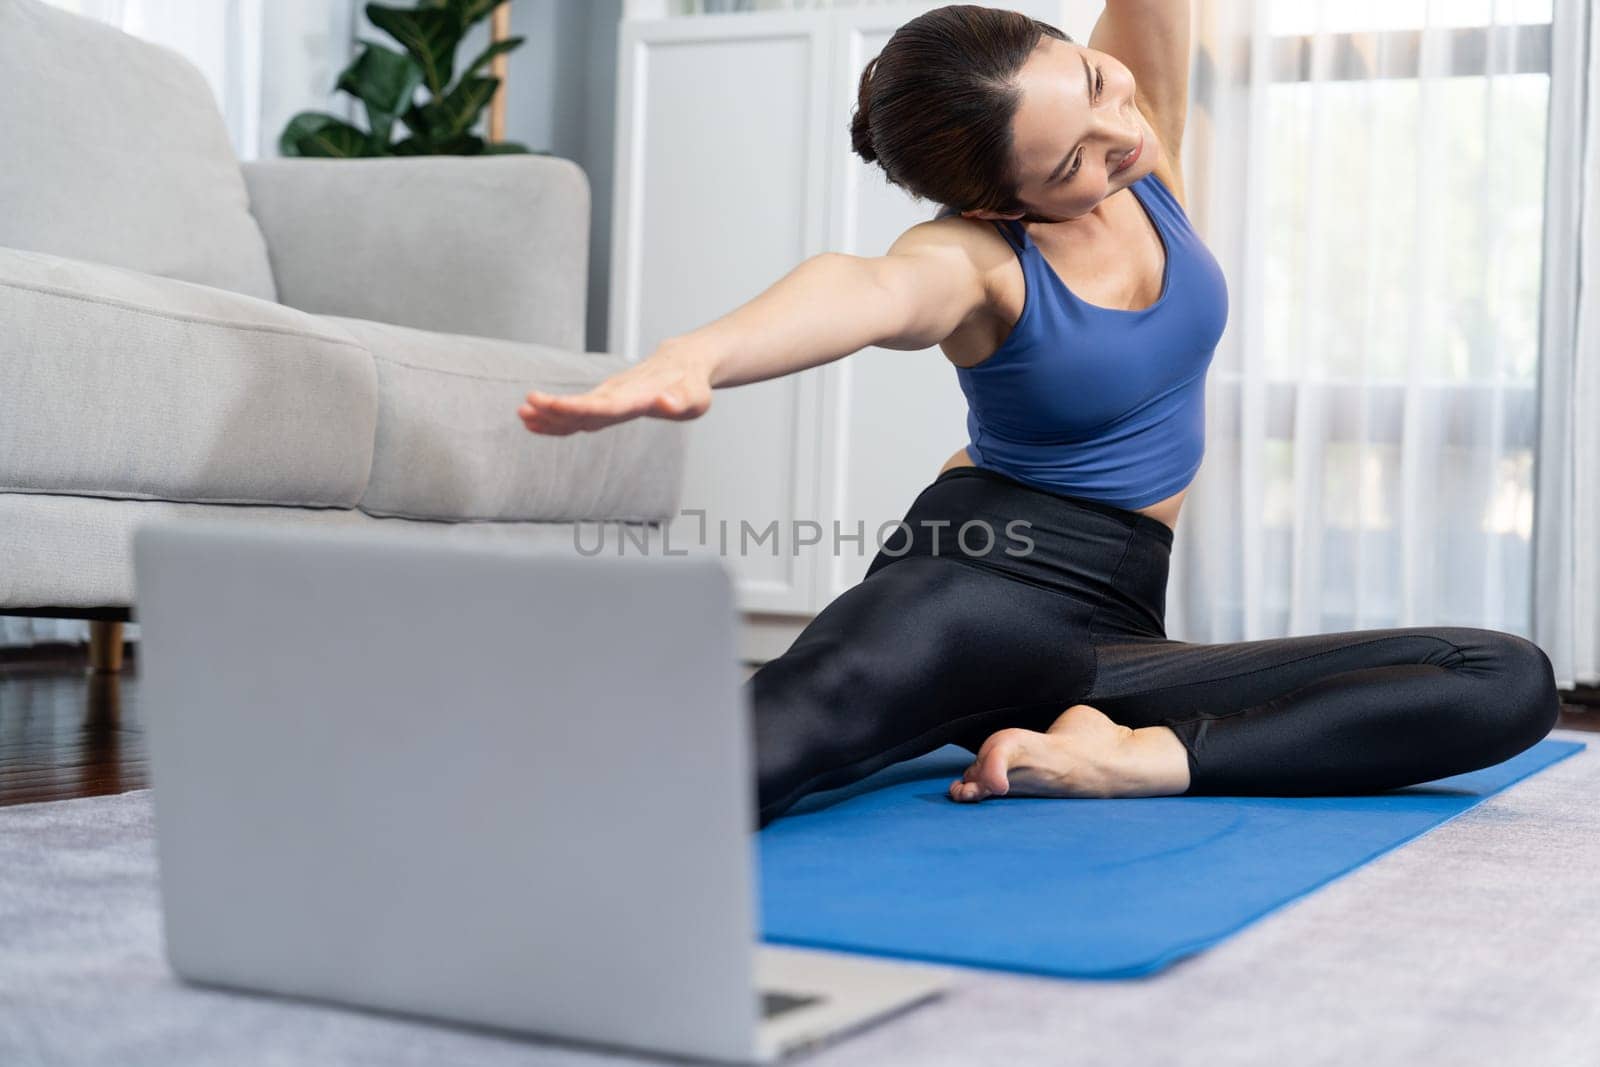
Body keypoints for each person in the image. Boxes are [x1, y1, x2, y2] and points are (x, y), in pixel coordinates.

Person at [518, 3, 1561, 829]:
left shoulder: (1137, 141)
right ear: (999, 206)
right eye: (1071, 165)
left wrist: (1143, 742)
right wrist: (691, 355)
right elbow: (864, 288)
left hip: (1112, 638)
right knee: (776, 732)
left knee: (1501, 679)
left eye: (1098, 87)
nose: (1121, 134)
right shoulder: (973, 261)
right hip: (977, 581)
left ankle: (1133, 759)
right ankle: (486, 832)